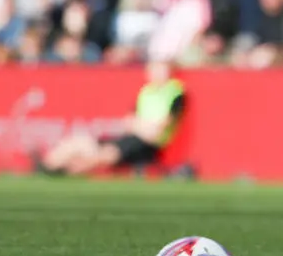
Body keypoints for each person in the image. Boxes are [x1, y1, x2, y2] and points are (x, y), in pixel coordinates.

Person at [35, 61, 185, 176]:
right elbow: (129, 121)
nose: (155, 74)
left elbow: (162, 127)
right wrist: (143, 127)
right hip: (133, 136)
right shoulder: (146, 92)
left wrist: (141, 126)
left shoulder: (175, 92)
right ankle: (49, 164)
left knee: (106, 154)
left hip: (147, 145)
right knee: (81, 142)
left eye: (160, 70)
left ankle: (64, 169)